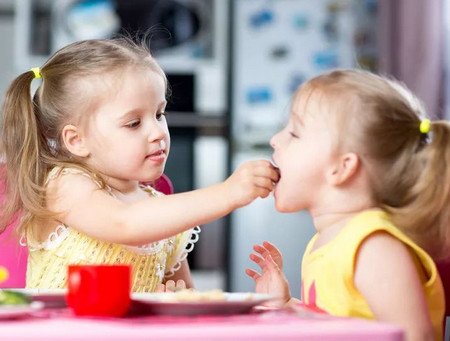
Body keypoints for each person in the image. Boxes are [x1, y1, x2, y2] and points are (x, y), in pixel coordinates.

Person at [0, 37, 279, 293]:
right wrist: (228, 192)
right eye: (134, 123)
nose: (158, 131)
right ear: (76, 140)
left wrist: (175, 299)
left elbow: (187, 299)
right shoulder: (64, 184)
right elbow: (124, 223)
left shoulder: (163, 217)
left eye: (160, 114)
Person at [246, 69, 447, 341]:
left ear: (342, 168)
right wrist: (289, 306)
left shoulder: (374, 247)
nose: (275, 139)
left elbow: (414, 336)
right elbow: (339, 324)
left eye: (294, 133)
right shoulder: (328, 241)